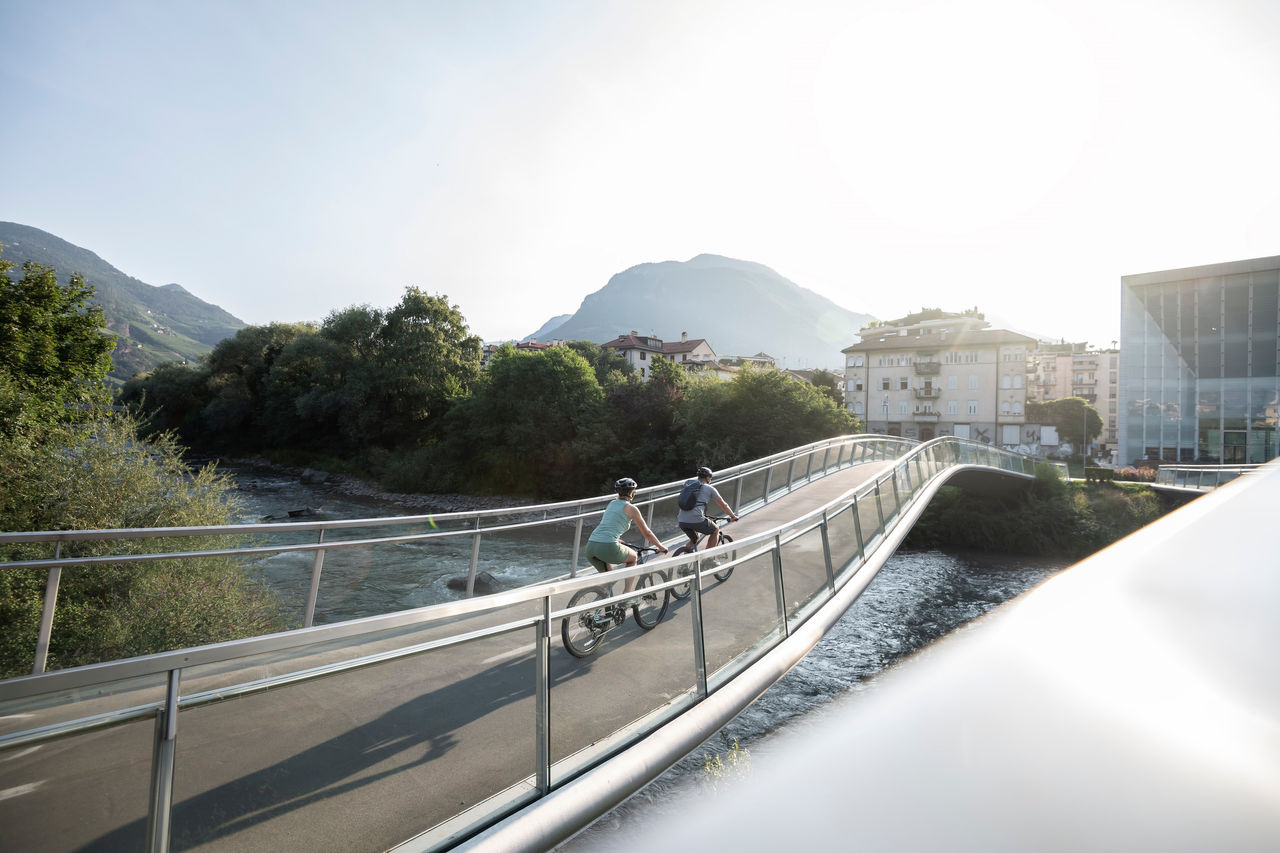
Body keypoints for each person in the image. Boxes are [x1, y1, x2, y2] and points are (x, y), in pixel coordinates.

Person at [585, 477, 668, 600]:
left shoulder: (612, 503)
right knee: (633, 558)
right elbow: (647, 533)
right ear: (632, 493)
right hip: (607, 546)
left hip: (591, 545)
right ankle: (627, 596)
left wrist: (616, 539)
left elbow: (607, 525)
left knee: (608, 580)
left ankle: (592, 611)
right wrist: (660, 547)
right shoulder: (632, 509)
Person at [676, 466, 739, 552]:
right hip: (696, 518)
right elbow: (723, 505)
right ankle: (708, 559)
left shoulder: (689, 485)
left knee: (695, 538)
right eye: (710, 478)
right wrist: (732, 516)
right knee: (715, 530)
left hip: (681, 519)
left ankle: (683, 561)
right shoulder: (709, 488)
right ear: (708, 478)